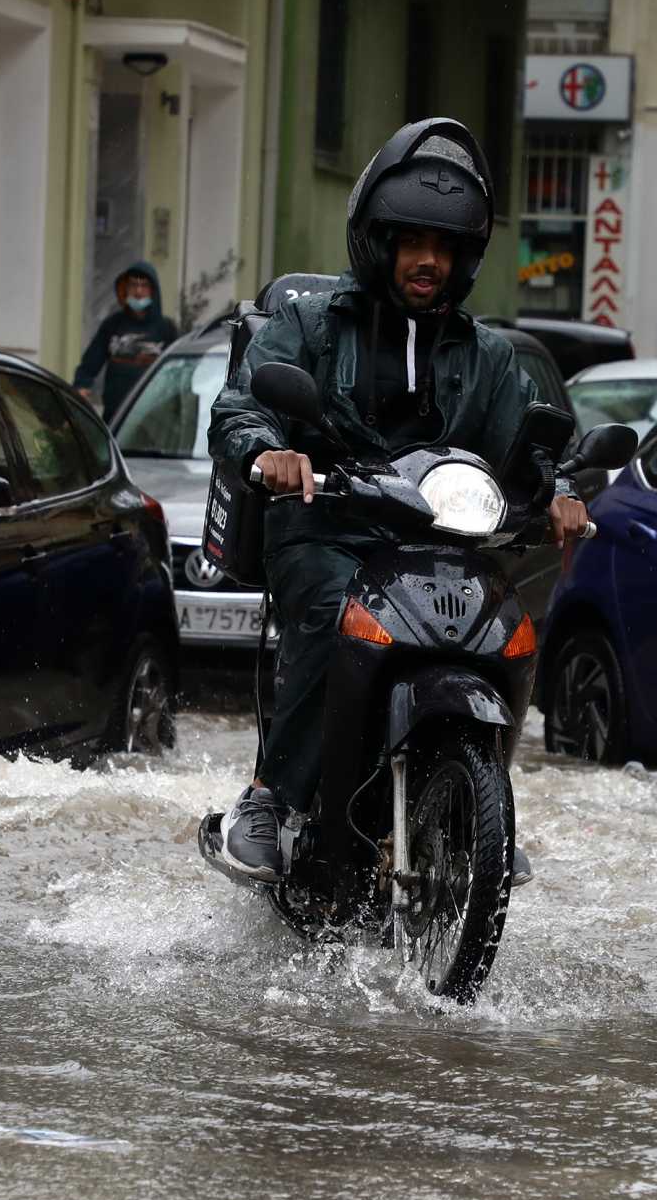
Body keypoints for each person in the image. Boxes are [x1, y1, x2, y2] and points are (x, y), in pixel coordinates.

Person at [206, 118, 590, 883]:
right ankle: (272, 801)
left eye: (445, 248)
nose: (428, 261)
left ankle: (481, 804)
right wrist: (271, 452)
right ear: (378, 243)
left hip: (440, 541)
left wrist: (563, 491)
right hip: (327, 526)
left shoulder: (485, 355)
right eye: (413, 242)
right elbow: (243, 405)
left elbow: (536, 444)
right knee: (325, 613)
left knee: (502, 625)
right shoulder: (312, 323)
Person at [72, 261, 178, 417]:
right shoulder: (112, 325)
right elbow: (90, 363)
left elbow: (176, 375)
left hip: (154, 418)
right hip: (116, 415)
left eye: (144, 286)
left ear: (153, 291)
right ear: (125, 289)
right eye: (133, 285)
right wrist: (81, 386)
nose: (138, 291)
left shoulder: (166, 329)